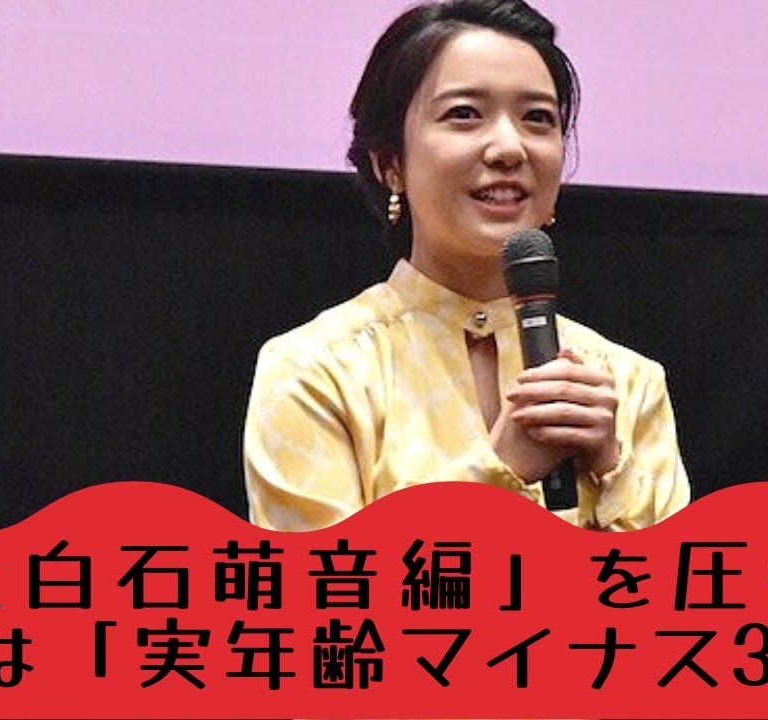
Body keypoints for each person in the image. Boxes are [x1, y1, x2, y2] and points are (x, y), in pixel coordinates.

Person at [244, 0, 689, 531]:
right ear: (390, 162)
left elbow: (680, 582)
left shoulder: (627, 382)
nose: (509, 148)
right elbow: (322, 581)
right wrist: (502, 471)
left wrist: (613, 469)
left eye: (538, 119)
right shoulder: (316, 370)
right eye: (465, 114)